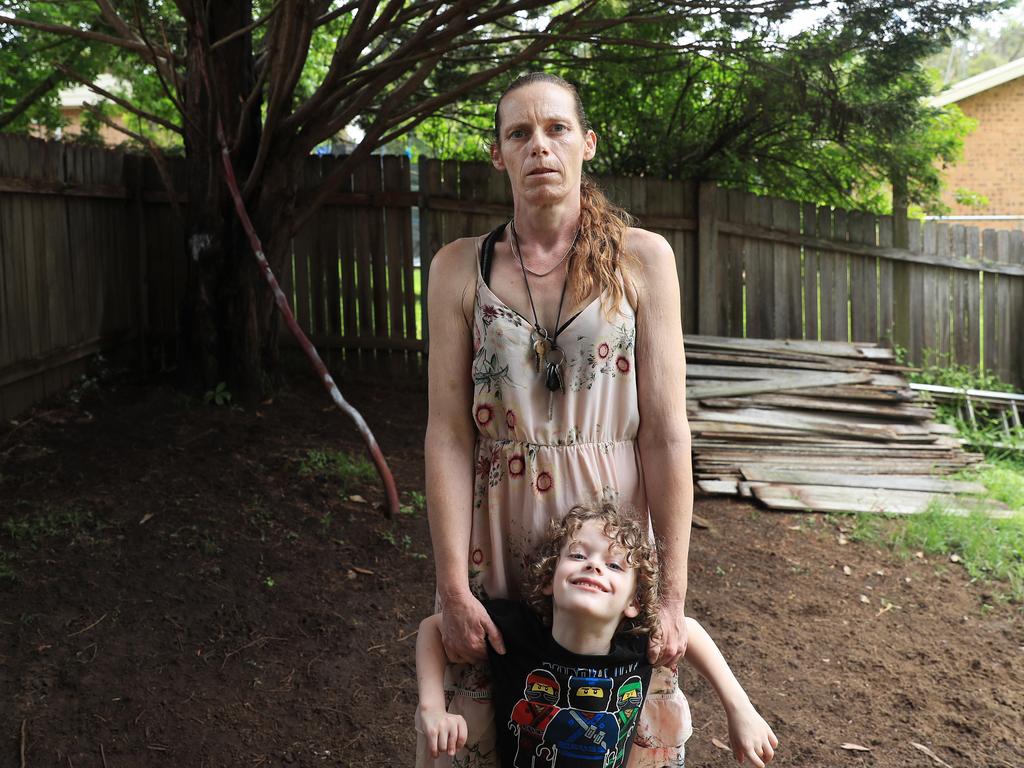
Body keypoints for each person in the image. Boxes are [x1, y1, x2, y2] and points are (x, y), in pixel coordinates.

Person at [422, 71, 694, 766]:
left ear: (587, 143)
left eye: (556, 129)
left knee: (606, 730)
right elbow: (450, 434)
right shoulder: (459, 269)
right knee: (494, 726)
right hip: (501, 533)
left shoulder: (642, 259)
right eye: (520, 133)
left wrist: (671, 594)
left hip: (609, 540)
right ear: (498, 154)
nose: (539, 146)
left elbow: (665, 433)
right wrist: (453, 587)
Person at [416, 504, 779, 768]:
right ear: (547, 580)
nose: (593, 565)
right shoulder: (516, 632)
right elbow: (435, 627)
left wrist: (740, 711)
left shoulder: (636, 643)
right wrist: (432, 709)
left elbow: (691, 631)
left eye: (615, 565)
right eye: (577, 554)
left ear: (633, 602)